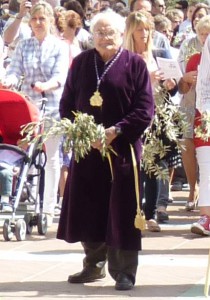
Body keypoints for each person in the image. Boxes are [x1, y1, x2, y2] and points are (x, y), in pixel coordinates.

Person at [57, 10, 154, 291]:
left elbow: (145, 109)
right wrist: (81, 131)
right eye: (98, 31)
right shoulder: (81, 62)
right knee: (89, 206)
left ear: (121, 33)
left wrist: (115, 131)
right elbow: (67, 104)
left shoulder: (134, 64)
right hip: (88, 148)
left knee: (123, 209)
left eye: (110, 31)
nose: (103, 37)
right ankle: (93, 265)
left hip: (122, 149)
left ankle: (124, 271)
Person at [1, 1, 69, 226]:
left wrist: (46, 85)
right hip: (29, 109)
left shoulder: (59, 46)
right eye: (35, 19)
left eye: (42, 19)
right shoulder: (24, 45)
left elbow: (61, 76)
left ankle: (48, 208)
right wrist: (8, 81)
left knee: (51, 158)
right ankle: (21, 199)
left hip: (51, 107)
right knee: (25, 155)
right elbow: (14, 70)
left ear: (50, 21)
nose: (38, 23)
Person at [124, 10, 178, 228]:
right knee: (134, 164)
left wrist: (169, 85)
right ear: (131, 32)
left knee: (154, 165)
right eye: (140, 30)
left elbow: (172, 90)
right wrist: (147, 78)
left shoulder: (159, 53)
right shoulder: (125, 57)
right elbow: (124, 87)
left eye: (147, 29)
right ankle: (132, 211)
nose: (144, 34)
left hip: (158, 116)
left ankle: (151, 213)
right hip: (134, 115)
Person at [177, 3, 209, 211]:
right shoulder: (189, 47)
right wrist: (186, 78)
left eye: (209, 33)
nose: (205, 37)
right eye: (202, 33)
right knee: (187, 145)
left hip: (207, 106)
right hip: (190, 103)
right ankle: (192, 188)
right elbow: (179, 81)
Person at [190, 15, 210, 236]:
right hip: (208, 115)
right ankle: (206, 216)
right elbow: (204, 80)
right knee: (207, 167)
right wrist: (205, 113)